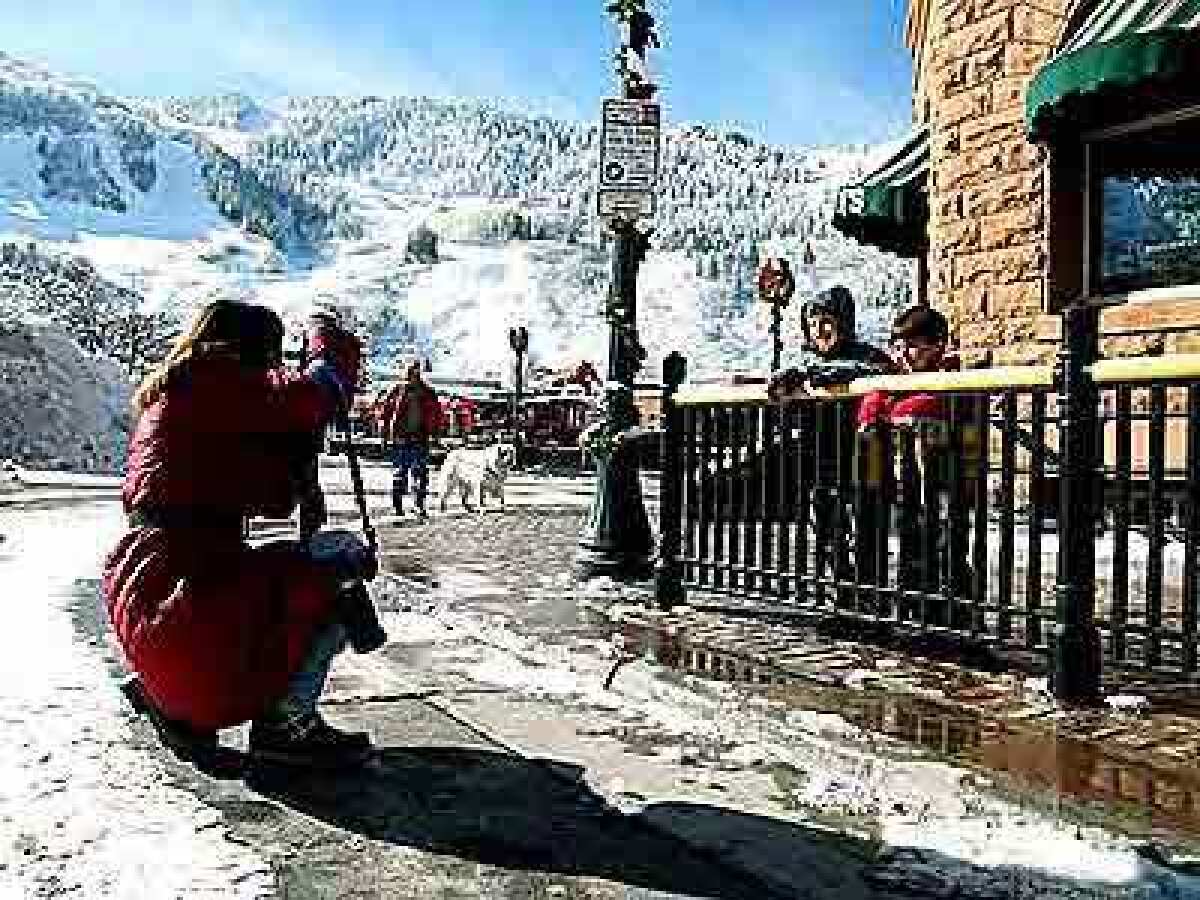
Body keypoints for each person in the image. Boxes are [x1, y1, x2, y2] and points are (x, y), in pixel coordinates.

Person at [102, 300, 387, 770]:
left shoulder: (179, 392)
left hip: (151, 594)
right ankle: (286, 725)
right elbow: (321, 390)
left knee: (286, 574)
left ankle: (171, 704)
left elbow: (269, 496)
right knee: (340, 561)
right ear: (251, 352)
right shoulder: (224, 383)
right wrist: (323, 341)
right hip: (192, 608)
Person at [766, 286, 895, 604]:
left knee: (868, 524)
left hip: (866, 453)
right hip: (823, 456)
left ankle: (869, 594)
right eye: (813, 323)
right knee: (826, 526)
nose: (820, 330)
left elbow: (878, 372)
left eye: (827, 321)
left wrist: (820, 373)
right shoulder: (803, 365)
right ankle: (844, 589)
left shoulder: (867, 356)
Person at [856, 305, 977, 624]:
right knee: (911, 540)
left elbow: (928, 403)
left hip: (947, 480)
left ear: (938, 344)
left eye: (913, 345)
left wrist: (890, 410)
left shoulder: (954, 377)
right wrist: (875, 410)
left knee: (947, 545)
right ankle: (915, 610)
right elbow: (875, 398)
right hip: (910, 480)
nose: (905, 353)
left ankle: (954, 616)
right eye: (900, 345)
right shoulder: (900, 380)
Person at [379, 361, 442, 518]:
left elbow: (436, 415)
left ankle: (419, 505)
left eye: (416, 371)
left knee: (420, 472)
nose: (413, 374)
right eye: (410, 371)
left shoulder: (427, 392)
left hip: (420, 438)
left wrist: (435, 434)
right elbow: (385, 414)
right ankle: (398, 506)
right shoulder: (396, 391)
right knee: (400, 473)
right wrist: (384, 435)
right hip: (401, 438)